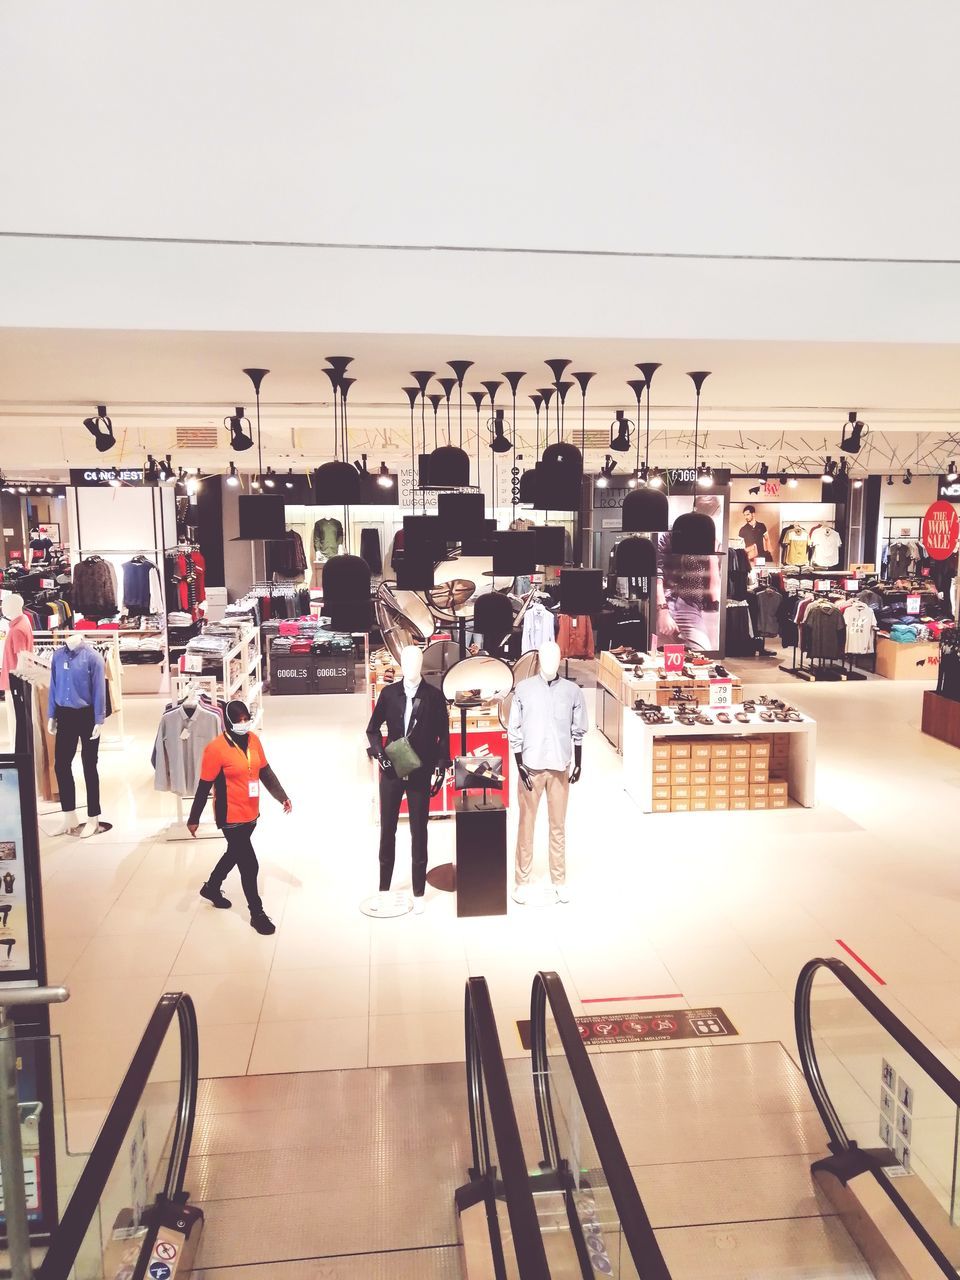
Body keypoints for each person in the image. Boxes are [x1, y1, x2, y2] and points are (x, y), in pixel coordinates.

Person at [187, 700, 292, 935]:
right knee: (249, 863)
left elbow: (265, 771)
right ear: (228, 721)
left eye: (246, 719)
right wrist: (193, 818)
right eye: (239, 720)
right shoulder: (215, 749)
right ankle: (257, 913)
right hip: (230, 815)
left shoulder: (254, 740)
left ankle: (212, 887)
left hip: (250, 811)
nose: (243, 724)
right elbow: (204, 787)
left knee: (234, 852)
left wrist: (281, 796)